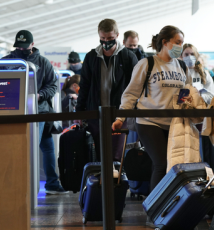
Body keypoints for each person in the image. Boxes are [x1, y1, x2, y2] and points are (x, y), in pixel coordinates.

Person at [112, 25, 192, 228]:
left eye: (182, 43)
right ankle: (155, 211)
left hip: (173, 123)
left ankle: (171, 208)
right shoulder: (147, 64)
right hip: (149, 122)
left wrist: (188, 107)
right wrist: (121, 117)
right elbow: (131, 93)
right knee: (160, 164)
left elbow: (186, 92)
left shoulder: (181, 67)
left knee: (174, 166)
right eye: (177, 42)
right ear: (165, 42)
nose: (180, 47)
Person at [0, 30, 66, 194]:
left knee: (42, 147)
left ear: (32, 45)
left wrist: (40, 96)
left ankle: (48, 183)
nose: (21, 50)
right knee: (41, 147)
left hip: (39, 111)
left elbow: (52, 86)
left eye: (24, 46)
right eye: (18, 47)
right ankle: (42, 183)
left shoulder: (43, 62)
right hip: (13, 111)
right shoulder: (6, 61)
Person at [75, 19, 138, 162]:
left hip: (119, 114)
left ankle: (116, 183)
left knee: (116, 155)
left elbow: (134, 87)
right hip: (96, 114)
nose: (106, 41)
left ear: (117, 35)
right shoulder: (91, 57)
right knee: (98, 154)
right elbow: (84, 85)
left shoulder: (128, 57)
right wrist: (79, 111)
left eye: (110, 38)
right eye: (103, 38)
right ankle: (100, 183)